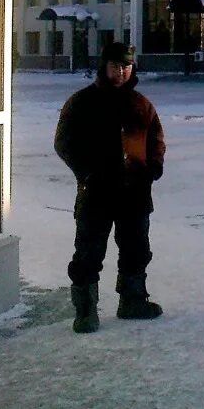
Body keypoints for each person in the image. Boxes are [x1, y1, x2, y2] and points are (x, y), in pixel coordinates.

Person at [54, 42, 165, 333]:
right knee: (89, 252)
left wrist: (153, 165)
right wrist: (87, 173)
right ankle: (86, 311)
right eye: (116, 66)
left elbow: (155, 138)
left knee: (136, 249)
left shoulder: (141, 104)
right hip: (97, 192)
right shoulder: (82, 102)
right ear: (104, 67)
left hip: (135, 193)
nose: (121, 72)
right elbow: (64, 143)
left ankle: (133, 301)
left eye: (126, 67)